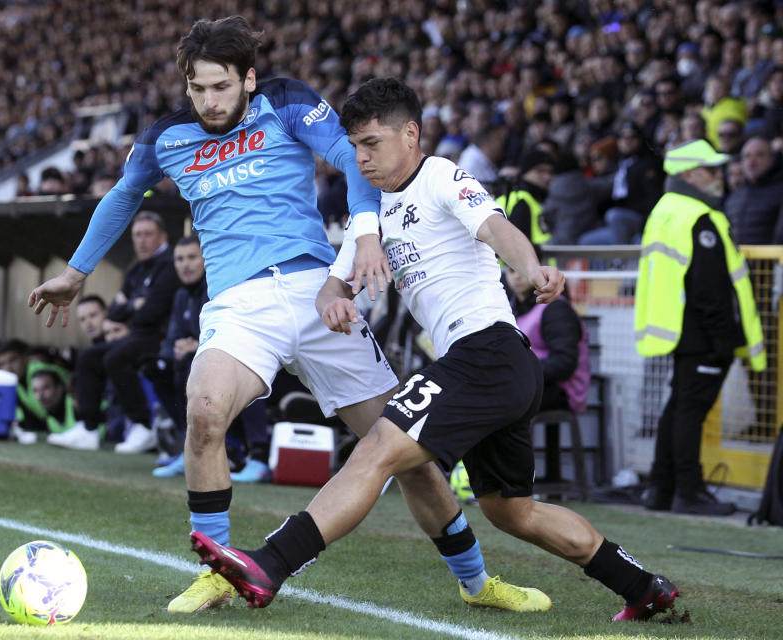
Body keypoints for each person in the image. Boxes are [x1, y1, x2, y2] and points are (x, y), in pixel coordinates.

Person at [29, 17, 543, 615]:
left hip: (319, 294)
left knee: (408, 455)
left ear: (247, 79)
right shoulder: (164, 138)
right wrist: (76, 272)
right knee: (203, 412)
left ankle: (477, 581)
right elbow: (123, 196)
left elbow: (353, 161)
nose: (208, 101)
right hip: (238, 305)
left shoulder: (287, 101)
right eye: (197, 88)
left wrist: (367, 231)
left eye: (221, 87)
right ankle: (218, 570)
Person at [192, 77, 680, 623]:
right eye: (354, 147)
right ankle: (644, 587)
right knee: (512, 512)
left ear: (411, 133)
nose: (362, 158)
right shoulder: (369, 218)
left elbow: (498, 228)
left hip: (488, 352)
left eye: (373, 143)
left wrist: (531, 267)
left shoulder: (441, 176)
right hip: (494, 369)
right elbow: (335, 284)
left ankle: (270, 564)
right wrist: (332, 302)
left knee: (375, 450)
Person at [636, 139, 765, 516]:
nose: (719, 176)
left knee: (678, 407)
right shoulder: (699, 216)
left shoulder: (666, 209)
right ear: (690, 174)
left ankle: (660, 489)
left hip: (679, 329)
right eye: (711, 170)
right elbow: (710, 289)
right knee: (689, 412)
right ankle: (688, 492)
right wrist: (725, 340)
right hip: (704, 335)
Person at [53, 211, 179, 452]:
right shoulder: (136, 270)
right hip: (136, 335)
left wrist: (130, 308)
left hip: (160, 337)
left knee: (116, 356)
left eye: (148, 234)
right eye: (137, 235)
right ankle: (88, 428)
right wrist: (135, 305)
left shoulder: (169, 265)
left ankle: (143, 425)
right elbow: (114, 312)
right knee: (90, 356)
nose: (141, 240)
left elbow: (153, 311)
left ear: (162, 237)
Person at [152, 237, 271, 481]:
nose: (185, 265)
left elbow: (237, 331)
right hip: (199, 361)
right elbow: (172, 338)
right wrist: (174, 350)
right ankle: (192, 448)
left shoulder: (222, 287)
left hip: (245, 356)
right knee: (158, 368)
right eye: (180, 259)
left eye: (192, 257)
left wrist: (199, 345)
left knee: (239, 367)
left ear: (206, 260)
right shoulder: (181, 296)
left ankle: (257, 457)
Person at [505, 263, 590, 485]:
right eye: (511, 270)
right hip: (531, 384)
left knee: (498, 401)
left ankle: (511, 482)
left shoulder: (556, 309)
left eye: (521, 268)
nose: (516, 276)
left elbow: (564, 363)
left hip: (561, 390)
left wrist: (519, 373)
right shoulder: (513, 308)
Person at [497, 149, 556, 248]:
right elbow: (517, 249)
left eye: (550, 172)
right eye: (540, 171)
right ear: (525, 173)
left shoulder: (532, 199)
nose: (547, 177)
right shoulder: (521, 201)